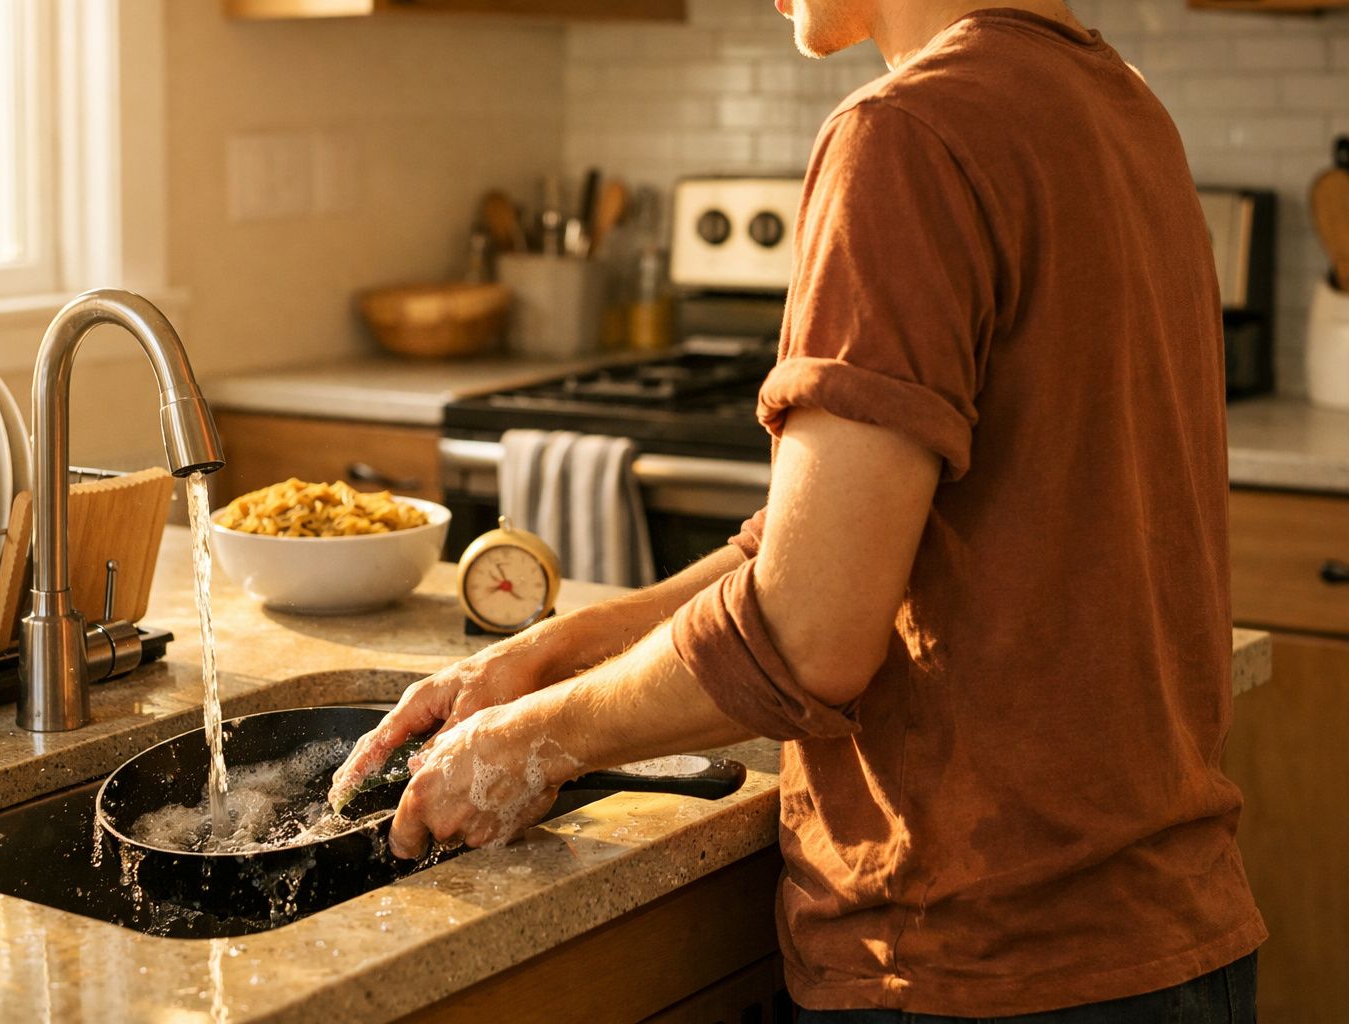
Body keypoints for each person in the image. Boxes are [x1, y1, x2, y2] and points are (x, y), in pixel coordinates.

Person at [329, 1, 1266, 1018]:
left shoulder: (906, 134)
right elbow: (837, 552)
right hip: (1174, 940)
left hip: (976, 955)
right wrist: (555, 650)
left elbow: (810, 634)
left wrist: (532, 740)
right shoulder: (1120, 106)